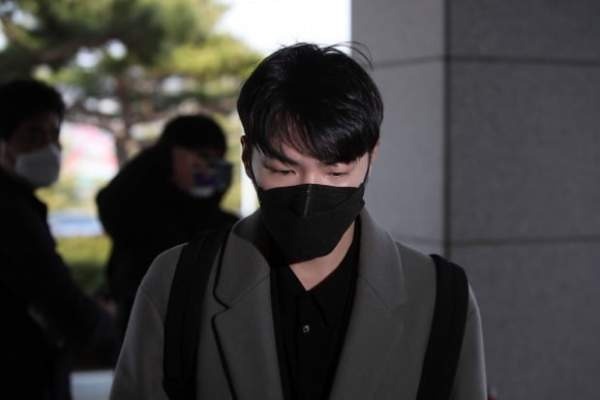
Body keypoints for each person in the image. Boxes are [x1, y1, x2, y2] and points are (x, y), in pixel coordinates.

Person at [110, 43, 487, 400]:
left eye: (336, 173)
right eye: (283, 170)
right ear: (248, 156)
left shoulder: (441, 299)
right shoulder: (178, 283)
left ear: (371, 156)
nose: (308, 196)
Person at [0, 79, 117, 400]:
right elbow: (55, 296)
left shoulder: (21, 205)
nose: (49, 147)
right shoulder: (11, 213)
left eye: (54, 135)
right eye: (33, 135)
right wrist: (107, 325)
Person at [96, 115, 238, 339]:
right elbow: (113, 203)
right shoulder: (138, 215)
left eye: (217, 158)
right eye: (202, 156)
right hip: (144, 331)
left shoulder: (222, 224)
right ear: (168, 156)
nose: (208, 167)